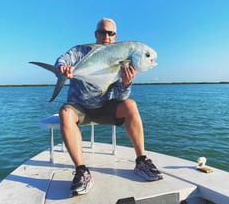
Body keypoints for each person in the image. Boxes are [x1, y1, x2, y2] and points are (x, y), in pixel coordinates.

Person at [55, 18, 163, 197]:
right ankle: (82, 171)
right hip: (78, 107)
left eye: (110, 33)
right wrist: (62, 68)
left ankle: (141, 161)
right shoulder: (80, 51)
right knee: (65, 112)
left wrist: (126, 83)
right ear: (96, 34)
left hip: (103, 107)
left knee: (130, 105)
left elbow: (120, 97)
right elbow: (63, 59)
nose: (106, 36)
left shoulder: (123, 57)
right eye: (102, 32)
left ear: (115, 36)